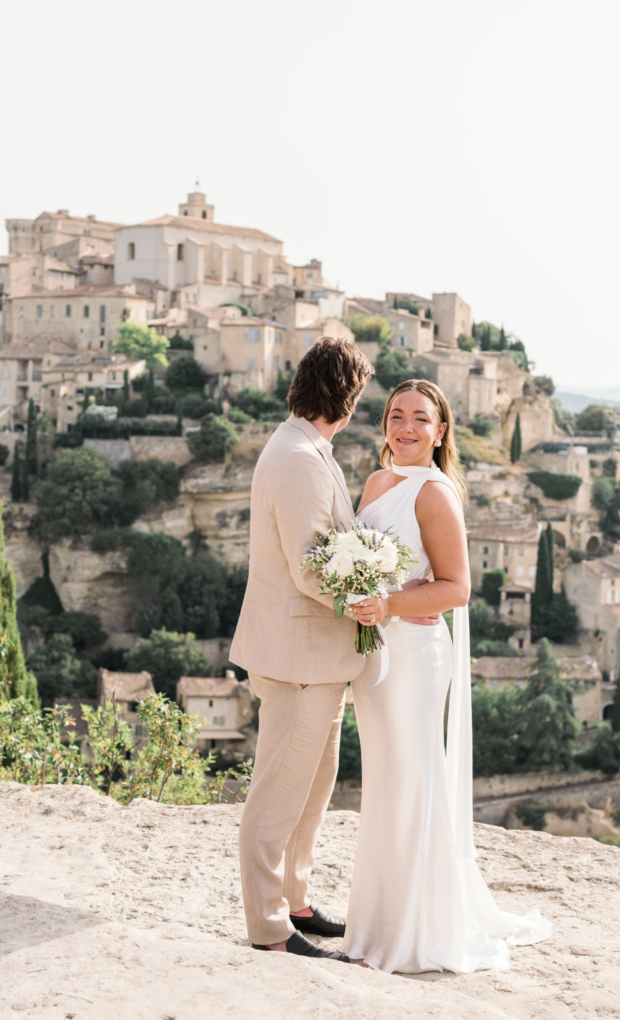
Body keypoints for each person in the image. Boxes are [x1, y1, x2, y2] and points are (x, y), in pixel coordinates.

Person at [346, 378, 551, 973]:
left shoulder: (436, 493)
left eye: (419, 419)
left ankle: (416, 931)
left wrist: (386, 604)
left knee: (413, 779)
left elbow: (456, 588)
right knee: (385, 784)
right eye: (395, 415)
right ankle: (378, 925)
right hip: (375, 655)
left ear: (440, 433)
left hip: (413, 653)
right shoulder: (378, 482)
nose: (405, 427)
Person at [230, 336, 374, 964]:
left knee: (315, 785)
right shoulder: (300, 458)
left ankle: (297, 899)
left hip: (317, 657)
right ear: (347, 397)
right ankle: (268, 924)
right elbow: (309, 566)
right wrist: (364, 601)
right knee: (280, 790)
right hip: (297, 657)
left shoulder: (302, 447)